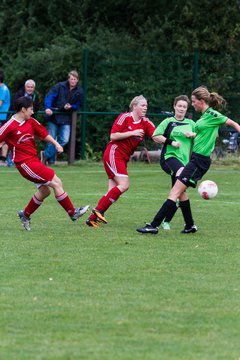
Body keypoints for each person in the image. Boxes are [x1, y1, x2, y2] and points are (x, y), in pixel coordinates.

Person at [137, 86, 240, 235]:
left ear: (201, 101)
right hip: (195, 160)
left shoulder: (212, 114)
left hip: (199, 161)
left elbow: (233, 124)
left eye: (193, 101)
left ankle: (154, 225)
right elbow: (208, 133)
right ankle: (190, 225)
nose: (192, 104)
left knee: (174, 192)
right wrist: (193, 135)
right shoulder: (203, 117)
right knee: (180, 193)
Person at [0, 96, 89, 231]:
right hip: (24, 164)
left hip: (34, 161)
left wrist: (56, 144)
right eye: (31, 109)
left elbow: (43, 133)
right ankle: (72, 212)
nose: (32, 112)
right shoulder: (9, 126)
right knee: (56, 182)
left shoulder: (30, 121)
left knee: (45, 191)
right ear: (23, 110)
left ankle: (25, 214)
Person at [86, 95, 156, 228]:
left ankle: (92, 219)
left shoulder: (146, 122)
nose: (145, 108)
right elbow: (113, 136)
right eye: (143, 105)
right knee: (124, 184)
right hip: (114, 153)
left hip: (123, 158)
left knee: (112, 191)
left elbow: (156, 135)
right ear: (134, 106)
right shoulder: (125, 117)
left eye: (146, 106)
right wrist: (132, 133)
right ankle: (99, 211)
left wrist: (171, 139)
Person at [152, 95, 196, 231]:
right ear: (174, 106)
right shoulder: (168, 122)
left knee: (180, 192)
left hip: (185, 162)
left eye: (184, 107)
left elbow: (206, 136)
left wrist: (193, 135)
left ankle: (189, 225)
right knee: (179, 187)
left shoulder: (192, 124)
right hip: (169, 158)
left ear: (187, 108)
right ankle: (157, 223)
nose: (182, 109)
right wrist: (171, 142)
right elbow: (155, 136)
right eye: (179, 106)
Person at [41, 70, 84, 165]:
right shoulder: (59, 86)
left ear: (77, 80)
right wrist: (47, 108)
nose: (73, 81)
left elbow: (78, 105)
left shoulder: (80, 91)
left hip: (66, 118)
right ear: (68, 79)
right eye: (71, 79)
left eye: (75, 79)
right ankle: (50, 160)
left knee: (64, 139)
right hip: (54, 116)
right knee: (51, 139)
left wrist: (71, 107)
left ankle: (46, 154)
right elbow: (50, 97)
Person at [0, 71, 11, 166]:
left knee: (4, 137)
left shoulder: (3, 89)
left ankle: (3, 159)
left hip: (2, 116)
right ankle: (3, 158)